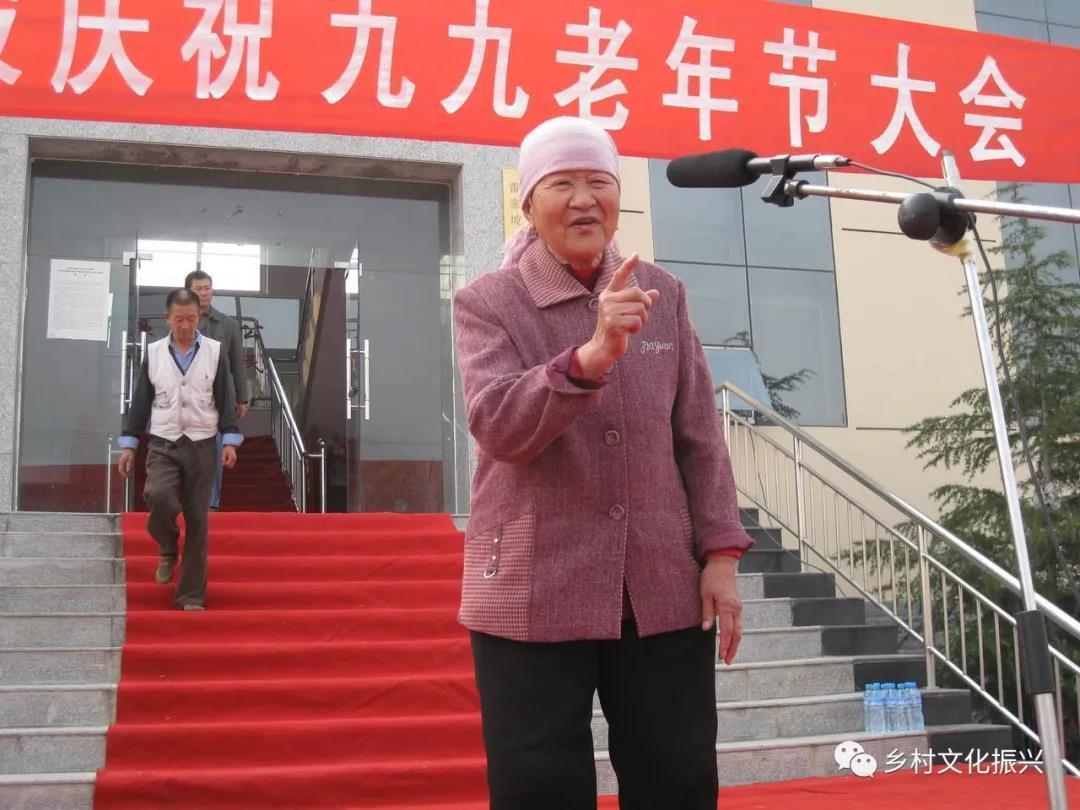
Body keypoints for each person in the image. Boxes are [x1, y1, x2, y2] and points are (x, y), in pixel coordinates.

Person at [452, 116, 756, 810]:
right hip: (531, 585)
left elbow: (699, 436)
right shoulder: (489, 302)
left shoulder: (662, 293)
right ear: (528, 203)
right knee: (537, 785)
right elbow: (498, 426)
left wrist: (721, 556)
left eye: (599, 182)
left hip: (659, 584)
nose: (584, 199)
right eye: (562, 184)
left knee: (676, 777)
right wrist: (589, 359)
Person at [117, 288, 243, 611]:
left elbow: (225, 397)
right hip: (164, 441)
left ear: (199, 317)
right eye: (179, 319)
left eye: (191, 318)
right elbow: (141, 401)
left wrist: (230, 439)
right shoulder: (155, 352)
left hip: (202, 443)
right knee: (158, 496)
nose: (185, 325)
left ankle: (191, 595)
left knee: (198, 519)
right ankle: (168, 545)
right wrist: (130, 444)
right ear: (168, 318)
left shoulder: (214, 351)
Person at [185, 269, 250, 510]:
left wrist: (242, 398)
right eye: (198, 289)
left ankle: (210, 504)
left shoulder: (228, 324)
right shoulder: (181, 322)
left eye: (207, 288)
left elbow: (237, 364)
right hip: (187, 397)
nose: (203, 293)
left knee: (214, 449)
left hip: (219, 398)